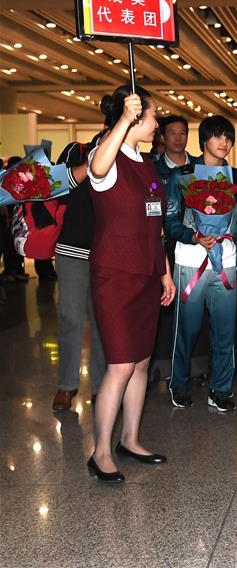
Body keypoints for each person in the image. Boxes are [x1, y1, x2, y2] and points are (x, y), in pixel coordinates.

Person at [87, 85, 176, 483]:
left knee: (140, 362)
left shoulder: (147, 164)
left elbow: (154, 226)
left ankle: (131, 439)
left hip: (146, 273)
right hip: (115, 276)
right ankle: (101, 452)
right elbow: (97, 171)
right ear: (134, 115)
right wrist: (124, 119)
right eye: (153, 116)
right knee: (121, 364)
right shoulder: (107, 155)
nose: (157, 124)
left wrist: (165, 272)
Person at [164, 116, 237, 412]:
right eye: (217, 136)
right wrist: (193, 236)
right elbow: (170, 221)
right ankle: (178, 381)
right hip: (190, 259)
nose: (223, 142)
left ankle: (221, 388)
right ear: (203, 141)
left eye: (228, 137)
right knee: (187, 327)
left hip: (225, 260)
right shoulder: (183, 175)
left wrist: (235, 246)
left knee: (225, 328)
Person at [51, 136, 107, 412]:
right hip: (71, 248)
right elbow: (60, 184)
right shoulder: (77, 149)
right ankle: (67, 384)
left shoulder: (128, 157)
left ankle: (101, 387)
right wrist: (95, 160)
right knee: (70, 317)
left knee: (102, 322)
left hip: (106, 252)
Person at [152, 116, 191, 188]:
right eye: (172, 133)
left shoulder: (199, 165)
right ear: (162, 138)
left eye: (182, 133)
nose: (178, 138)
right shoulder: (153, 170)